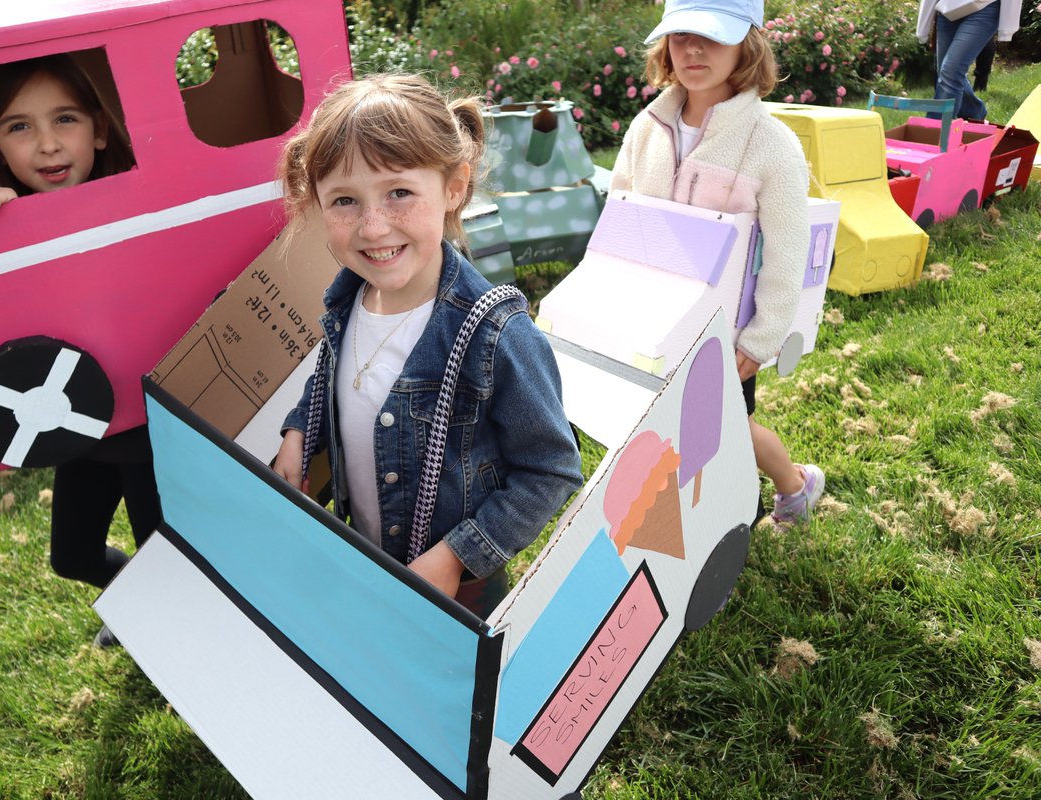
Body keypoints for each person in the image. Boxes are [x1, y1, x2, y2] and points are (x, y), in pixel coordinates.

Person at [272, 75, 584, 618]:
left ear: (454, 187)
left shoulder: (497, 333)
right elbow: (338, 379)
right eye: (344, 200)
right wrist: (301, 428)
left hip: (458, 587)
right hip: (369, 554)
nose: (373, 226)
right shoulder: (347, 302)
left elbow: (551, 469)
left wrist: (456, 558)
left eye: (399, 192)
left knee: (457, 693)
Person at [0, 54, 152, 647]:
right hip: (81, 423)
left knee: (170, 552)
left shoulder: (136, 192)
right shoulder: (0, 208)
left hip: (154, 429)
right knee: (71, 558)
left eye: (65, 119)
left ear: (99, 130)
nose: (47, 146)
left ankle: (170, 630)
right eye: (19, 126)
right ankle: (132, 585)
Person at [611, 0, 824, 526]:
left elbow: (787, 249)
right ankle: (726, 502)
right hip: (653, 317)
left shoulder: (773, 145)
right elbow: (620, 209)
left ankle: (787, 488)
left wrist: (762, 336)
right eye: (680, 35)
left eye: (713, 36)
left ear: (747, 44)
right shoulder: (647, 127)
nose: (694, 48)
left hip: (723, 331)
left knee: (724, 425)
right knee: (669, 422)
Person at [916, 0, 1023, 122]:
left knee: (951, 71)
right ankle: (975, 114)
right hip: (947, 11)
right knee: (947, 73)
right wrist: (923, 28)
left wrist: (1007, 28)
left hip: (984, 8)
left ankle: (934, 130)